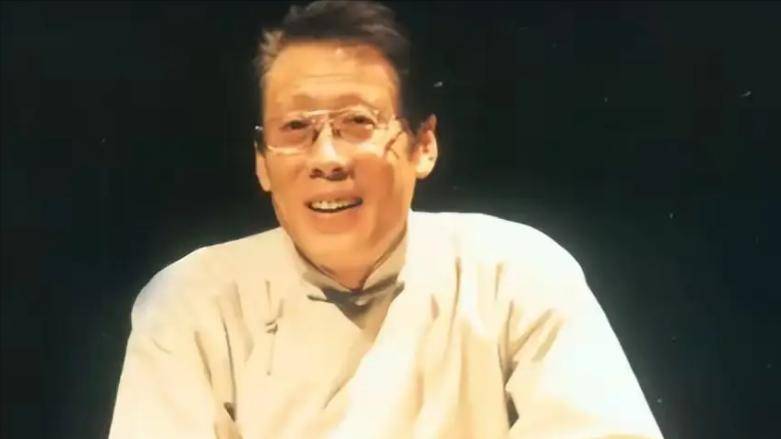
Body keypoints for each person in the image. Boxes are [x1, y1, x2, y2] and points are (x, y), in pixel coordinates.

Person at [108, 1, 664, 438]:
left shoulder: (513, 274)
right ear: (261, 161)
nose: (327, 158)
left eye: (357, 122)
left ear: (424, 144)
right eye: (296, 129)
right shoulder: (191, 303)